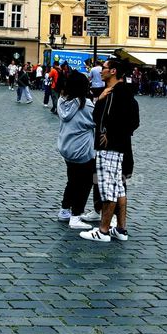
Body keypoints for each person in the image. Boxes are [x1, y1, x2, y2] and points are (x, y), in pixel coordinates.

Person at [80, 57, 139, 243]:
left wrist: (110, 135)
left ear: (113, 71)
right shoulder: (125, 93)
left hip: (110, 148)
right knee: (119, 189)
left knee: (108, 190)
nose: (100, 71)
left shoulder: (114, 93)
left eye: (104, 68)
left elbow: (102, 119)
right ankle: (121, 229)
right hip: (121, 147)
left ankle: (103, 230)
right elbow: (132, 122)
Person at [56, 71, 97, 231]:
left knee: (72, 180)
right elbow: (98, 120)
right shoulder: (85, 104)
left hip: (66, 148)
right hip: (82, 151)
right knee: (85, 183)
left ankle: (64, 211)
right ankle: (76, 216)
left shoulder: (62, 101)